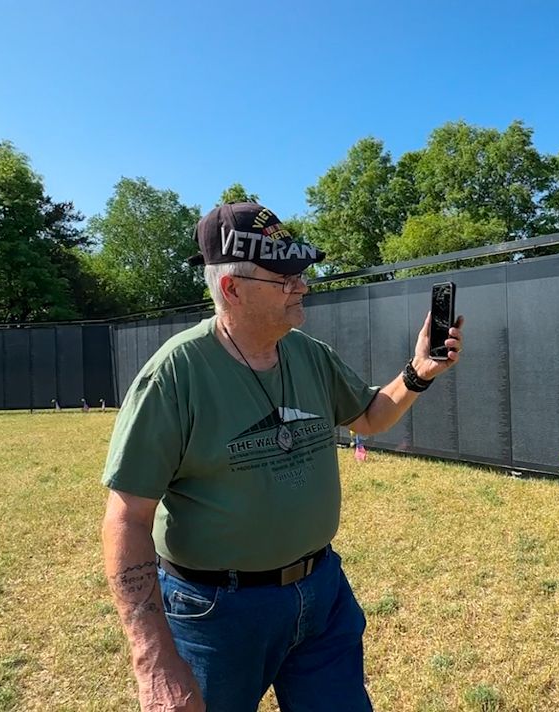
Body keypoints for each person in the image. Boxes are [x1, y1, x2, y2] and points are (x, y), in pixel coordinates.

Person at [100, 201, 465, 711]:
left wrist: (418, 371)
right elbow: (125, 520)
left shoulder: (308, 353)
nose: (303, 286)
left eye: (301, 273)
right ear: (232, 288)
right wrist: (153, 662)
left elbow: (368, 415)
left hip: (321, 595)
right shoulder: (174, 375)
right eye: (285, 278)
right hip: (215, 614)